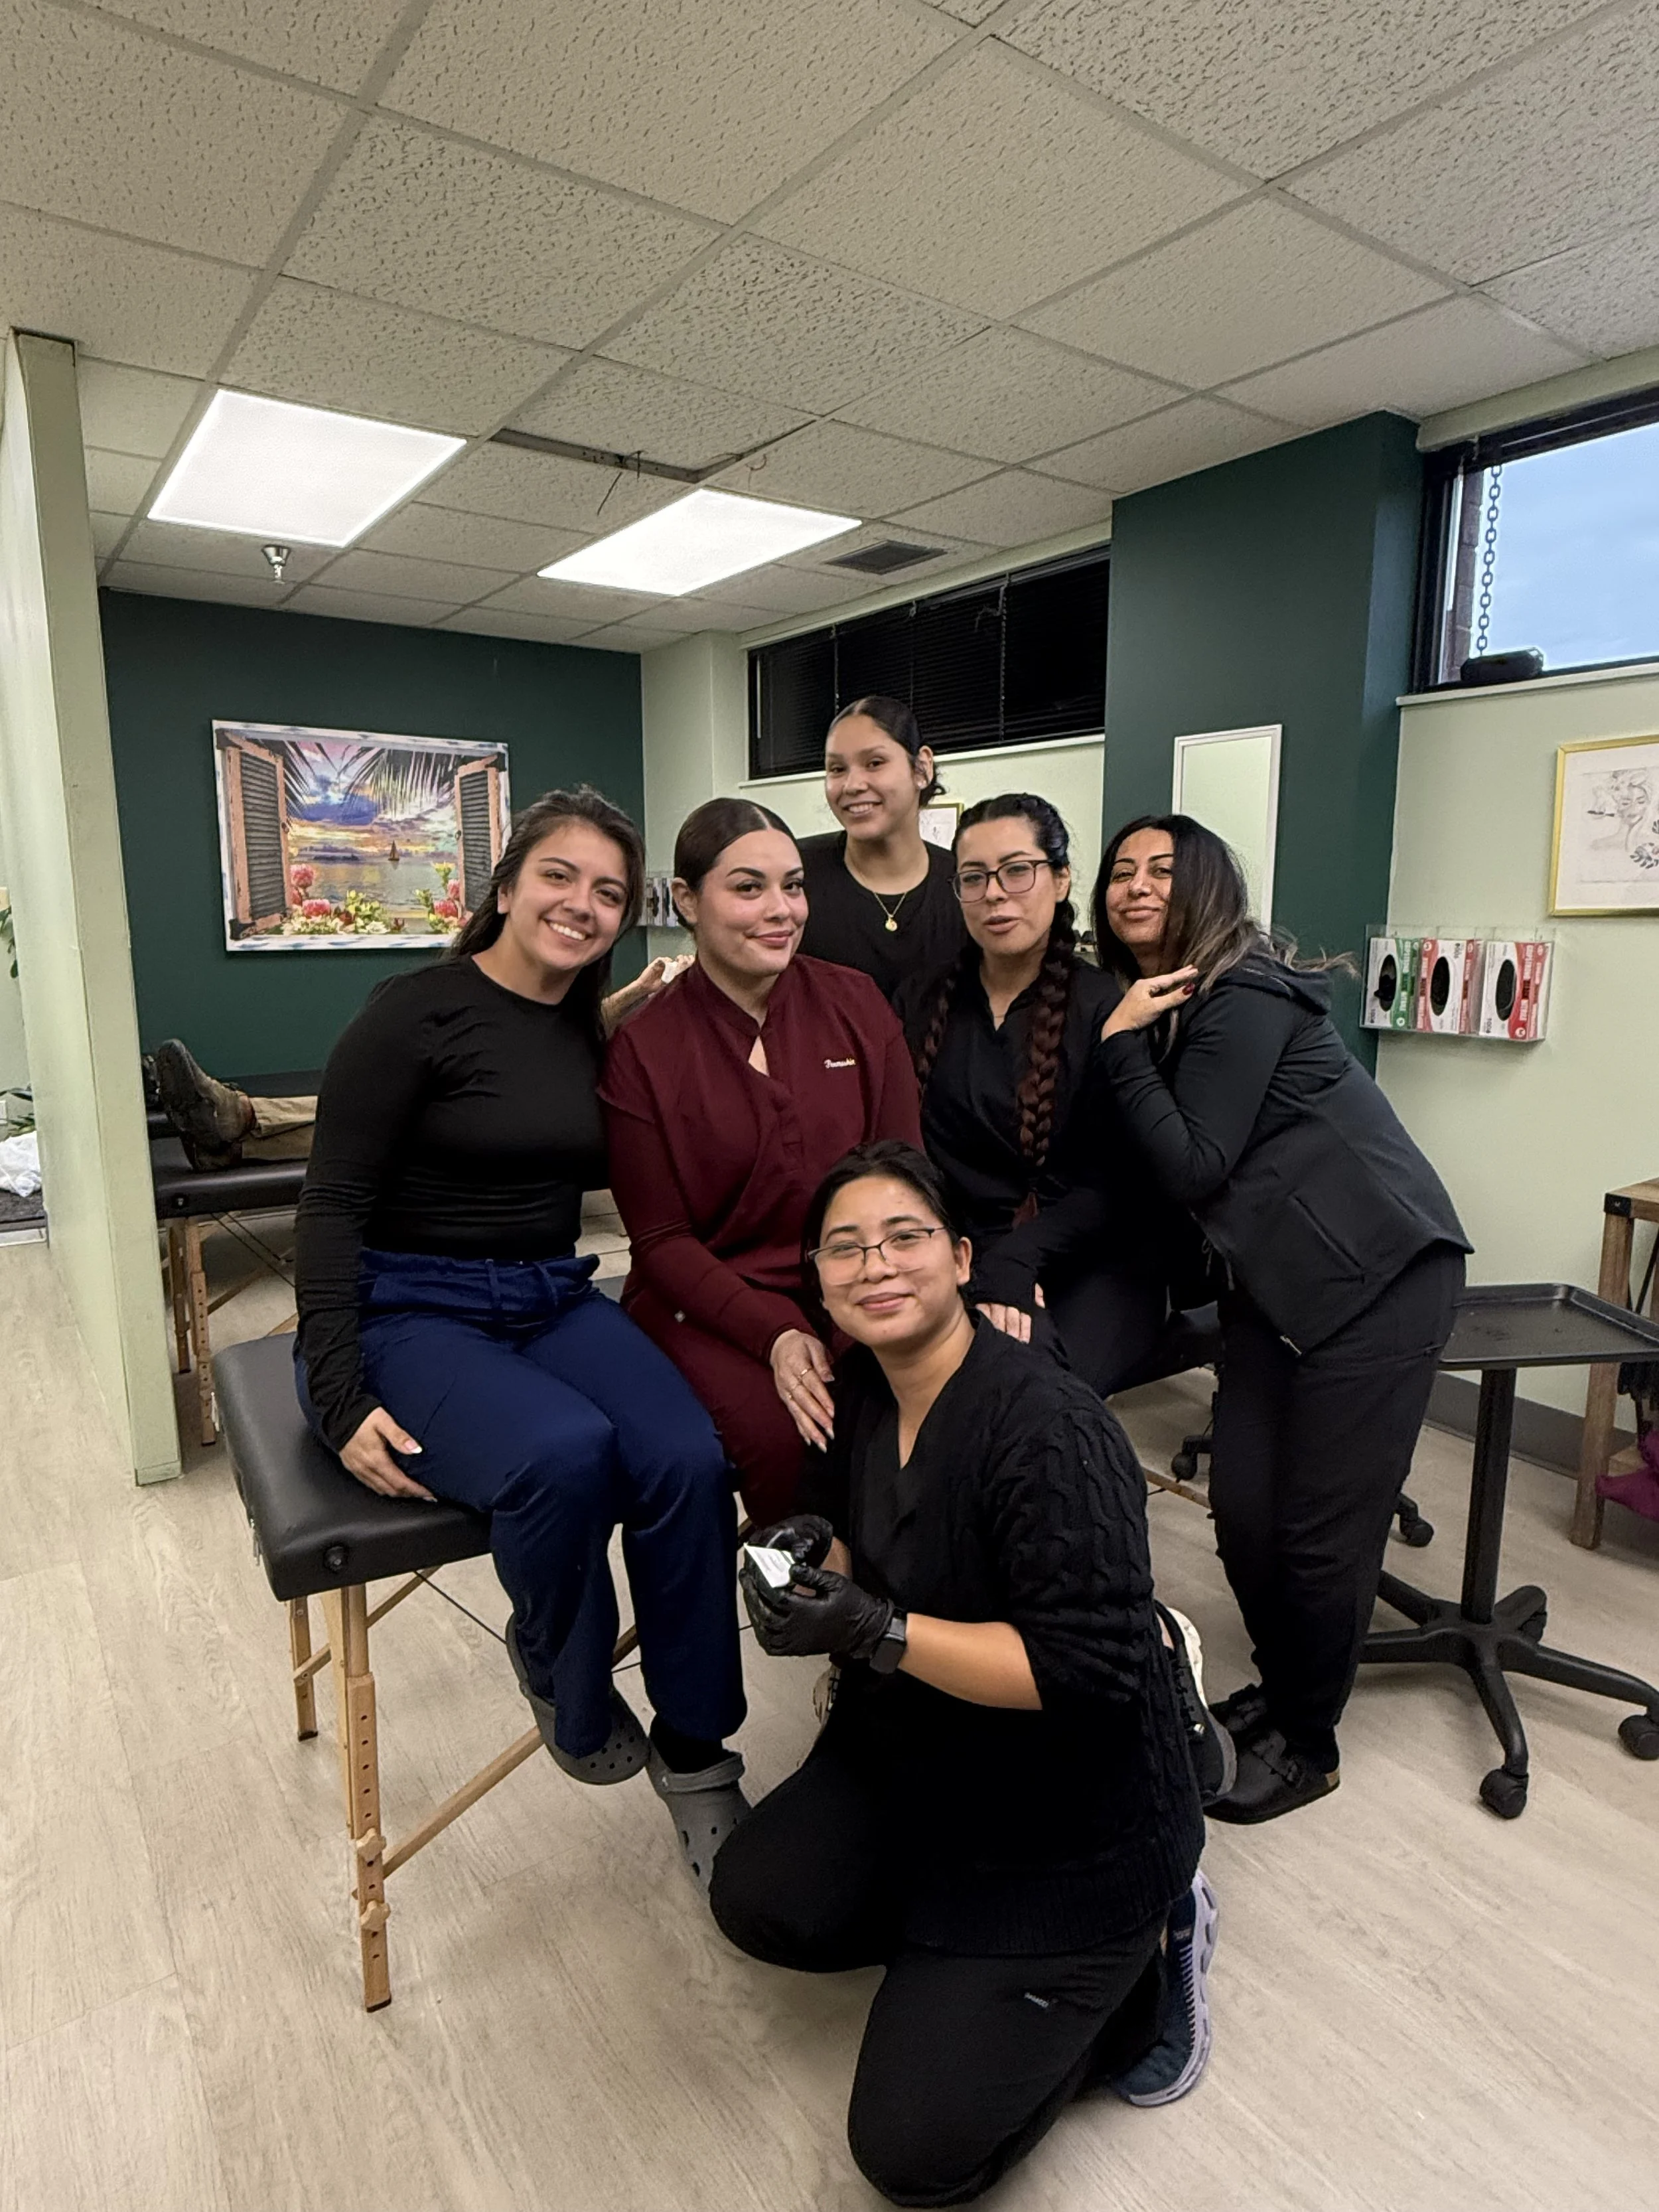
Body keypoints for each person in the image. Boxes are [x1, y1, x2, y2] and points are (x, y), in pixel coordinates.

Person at [711, 1142, 1211, 2209]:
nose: (877, 1265)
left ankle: (1146, 1965)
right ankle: (962, 1972)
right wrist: (814, 1563)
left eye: (906, 1237)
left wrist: (877, 1629)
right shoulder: (858, 1393)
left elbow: (1080, 1668)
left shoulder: (1047, 1426)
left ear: (962, 1256)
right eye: (845, 1248)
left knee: (910, 2151)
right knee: (761, 1900)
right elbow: (870, 1555)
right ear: (820, 1281)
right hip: (925, 1752)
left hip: (1071, 1806)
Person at [292, 788, 747, 1887]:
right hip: (408, 1305)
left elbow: (563, 1074)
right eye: (560, 877)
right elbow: (330, 1203)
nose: (582, 905)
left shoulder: (578, 1022)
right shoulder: (412, 1010)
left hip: (548, 1294)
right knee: (562, 1454)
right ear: (506, 886)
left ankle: (698, 1750)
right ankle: (561, 1671)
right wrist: (342, 1389)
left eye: (606, 893)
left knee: (689, 1457)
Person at [1093, 814, 1471, 1824]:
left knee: (1318, 1538)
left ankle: (1311, 1743)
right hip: (1278, 1289)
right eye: (1120, 872)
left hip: (1381, 1277)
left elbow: (1194, 1163)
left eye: (1161, 872)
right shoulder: (1176, 1007)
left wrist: (1119, 1049)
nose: (1135, 887)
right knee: (1245, 1510)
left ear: (1207, 887)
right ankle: (1284, 1685)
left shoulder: (1240, 994)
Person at [601, 799, 922, 1523]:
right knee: (791, 1439)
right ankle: (833, 1608)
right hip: (708, 1297)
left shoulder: (855, 1004)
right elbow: (660, 1243)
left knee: (922, 1408)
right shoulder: (644, 1049)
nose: (781, 910)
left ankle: (933, 1614)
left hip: (850, 1273)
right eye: (748, 888)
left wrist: (869, 1308)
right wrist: (775, 1335)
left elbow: (901, 1176)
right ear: (686, 899)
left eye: (793, 885)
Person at [897, 792, 1183, 1394]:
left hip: (1094, 1254)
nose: (995, 893)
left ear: (1060, 879)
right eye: (973, 878)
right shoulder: (924, 1001)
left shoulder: (1107, 1007)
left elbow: (1120, 1185)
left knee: (1028, 1392)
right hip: (963, 1248)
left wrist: (1017, 1259)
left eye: (1018, 870)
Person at [147, 959, 689, 1171]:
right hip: (530, 1090)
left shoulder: (699, 1036)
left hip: (562, 1114)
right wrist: (643, 988)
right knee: (392, 1102)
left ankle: (237, 1122)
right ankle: (236, 1130)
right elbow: (587, 1029)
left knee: (401, 1121)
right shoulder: (646, 1007)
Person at [797, 696, 966, 1000]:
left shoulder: (964, 884)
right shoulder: (795, 877)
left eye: (874, 763)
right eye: (836, 769)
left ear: (922, 768)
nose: (852, 785)